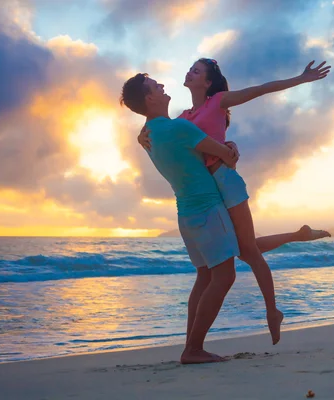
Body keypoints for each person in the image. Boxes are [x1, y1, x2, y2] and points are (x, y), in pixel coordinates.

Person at [138, 59, 332, 345]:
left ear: (207, 82)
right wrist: (142, 134)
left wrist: (300, 79)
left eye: (197, 71)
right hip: (208, 191)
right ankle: (298, 234)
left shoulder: (219, 100)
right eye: (190, 68)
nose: (190, 72)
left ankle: (272, 311)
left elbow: (261, 89)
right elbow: (162, 131)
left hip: (226, 181)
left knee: (249, 252)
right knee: (243, 248)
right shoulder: (182, 117)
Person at [120, 73, 240, 364]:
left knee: (205, 276)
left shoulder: (148, 134)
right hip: (207, 208)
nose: (162, 86)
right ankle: (194, 348)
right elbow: (226, 156)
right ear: (150, 98)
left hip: (186, 213)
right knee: (225, 276)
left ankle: (192, 346)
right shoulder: (179, 128)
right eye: (156, 86)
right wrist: (231, 148)